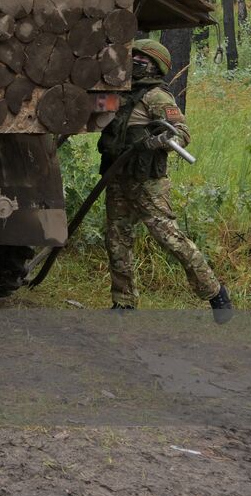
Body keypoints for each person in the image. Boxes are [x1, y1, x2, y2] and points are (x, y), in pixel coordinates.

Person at [97, 38, 234, 322]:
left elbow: (182, 133)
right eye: (134, 57)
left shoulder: (157, 97)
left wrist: (158, 140)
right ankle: (123, 302)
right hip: (118, 178)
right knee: (117, 239)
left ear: (155, 66)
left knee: (170, 238)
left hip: (148, 183)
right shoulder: (120, 95)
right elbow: (96, 112)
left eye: (142, 59)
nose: (136, 62)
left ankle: (215, 292)